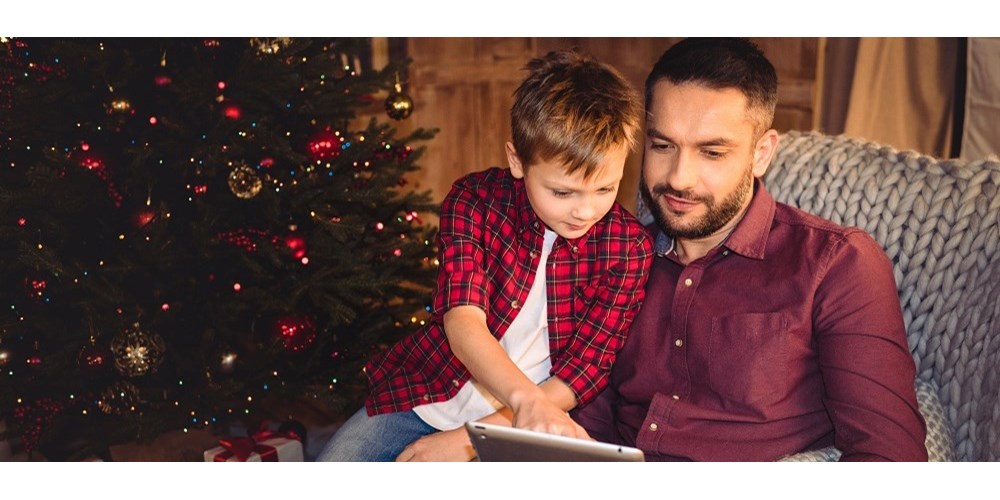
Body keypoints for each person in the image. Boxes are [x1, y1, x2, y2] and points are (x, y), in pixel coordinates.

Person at [571, 38, 928, 461]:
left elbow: (888, 458)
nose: (680, 178)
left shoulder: (838, 264)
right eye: (662, 146)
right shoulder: (611, 255)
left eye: (712, 152)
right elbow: (583, 418)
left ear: (761, 154)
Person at [317, 49, 654, 462]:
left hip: (526, 421)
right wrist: (523, 402)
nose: (584, 210)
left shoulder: (628, 247)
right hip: (429, 394)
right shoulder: (475, 201)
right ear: (518, 161)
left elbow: (583, 372)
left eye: (605, 189)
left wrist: (468, 439)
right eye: (562, 192)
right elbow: (462, 321)